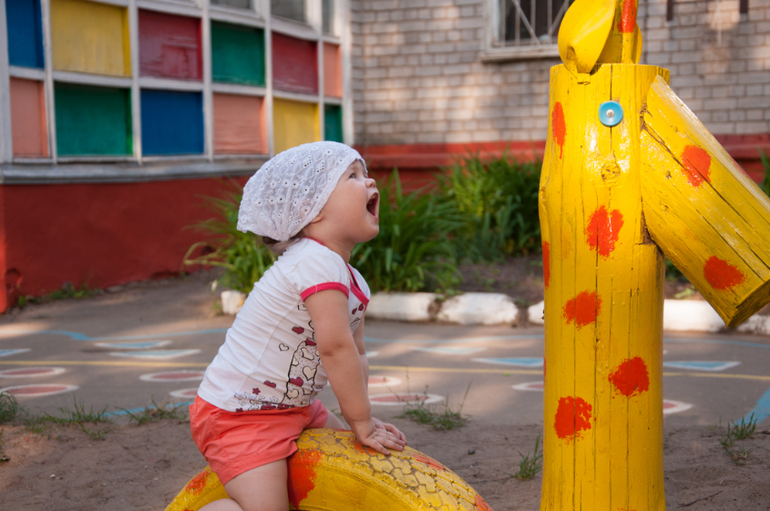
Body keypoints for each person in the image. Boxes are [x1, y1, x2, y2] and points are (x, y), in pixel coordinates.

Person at [190, 141, 407, 511]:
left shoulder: (351, 278)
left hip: (295, 409)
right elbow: (335, 349)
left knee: (351, 473)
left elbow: (356, 354)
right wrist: (362, 421)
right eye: (352, 176)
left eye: (365, 173)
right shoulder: (313, 262)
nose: (370, 182)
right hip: (241, 414)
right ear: (314, 212)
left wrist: (363, 418)